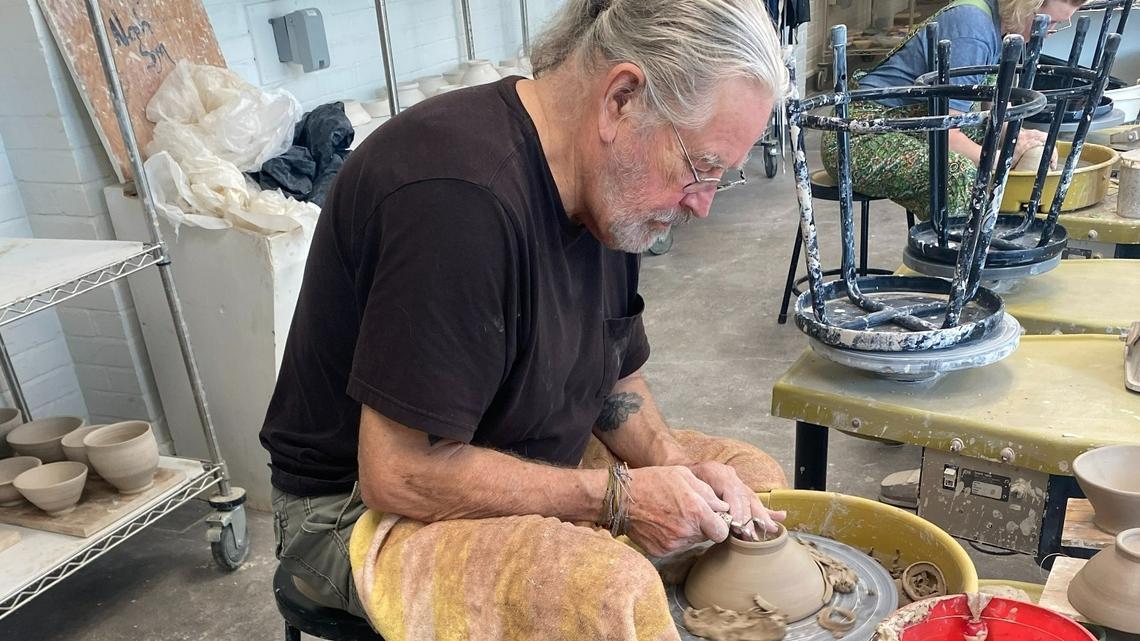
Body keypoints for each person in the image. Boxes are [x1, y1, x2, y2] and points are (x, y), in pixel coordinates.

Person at [259, 0, 790, 638]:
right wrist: (617, 500)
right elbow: (400, 474)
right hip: (354, 515)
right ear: (621, 99)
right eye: (701, 169)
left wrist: (672, 464)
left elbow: (617, 383)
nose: (702, 206)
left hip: (512, 446)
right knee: (607, 593)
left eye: (720, 180)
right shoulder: (456, 199)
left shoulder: (611, 194)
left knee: (750, 487)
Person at [823, 0, 1086, 220]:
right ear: (1027, 4)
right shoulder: (973, 30)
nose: (1050, 31)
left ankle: (985, 248)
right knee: (958, 174)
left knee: (1000, 148)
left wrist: (1019, 139)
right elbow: (945, 134)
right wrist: (999, 161)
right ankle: (955, 272)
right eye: (1049, 22)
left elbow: (992, 111)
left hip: (912, 127)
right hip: (858, 137)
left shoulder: (1000, 25)